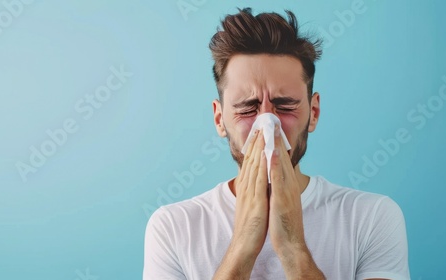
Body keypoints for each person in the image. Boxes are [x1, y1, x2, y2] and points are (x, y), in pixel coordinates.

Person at [143, 8, 409, 280]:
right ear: (220, 119)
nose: (268, 126)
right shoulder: (173, 227)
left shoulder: (372, 217)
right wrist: (243, 245)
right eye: (247, 109)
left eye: (284, 106)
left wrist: (293, 248)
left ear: (313, 113)